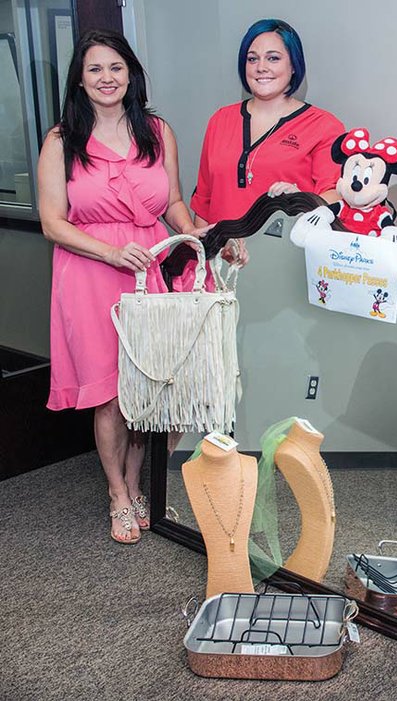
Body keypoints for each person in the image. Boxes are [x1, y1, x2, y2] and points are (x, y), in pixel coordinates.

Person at [38, 30, 209, 544]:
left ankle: (138, 483)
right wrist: (111, 252)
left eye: (116, 67)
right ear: (80, 79)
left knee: (150, 389)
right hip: (91, 273)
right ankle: (117, 493)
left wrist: (198, 231)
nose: (107, 78)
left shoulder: (157, 131)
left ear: (131, 73)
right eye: (95, 69)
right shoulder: (61, 140)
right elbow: (51, 221)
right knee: (110, 394)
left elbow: (173, 202)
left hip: (151, 268)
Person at [187, 18, 345, 269]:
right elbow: (204, 202)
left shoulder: (323, 125)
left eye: (273, 58)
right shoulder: (220, 120)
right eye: (252, 59)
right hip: (220, 269)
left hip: (285, 269)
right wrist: (203, 260)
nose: (261, 67)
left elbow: (333, 196)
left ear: (294, 65)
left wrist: (301, 199)